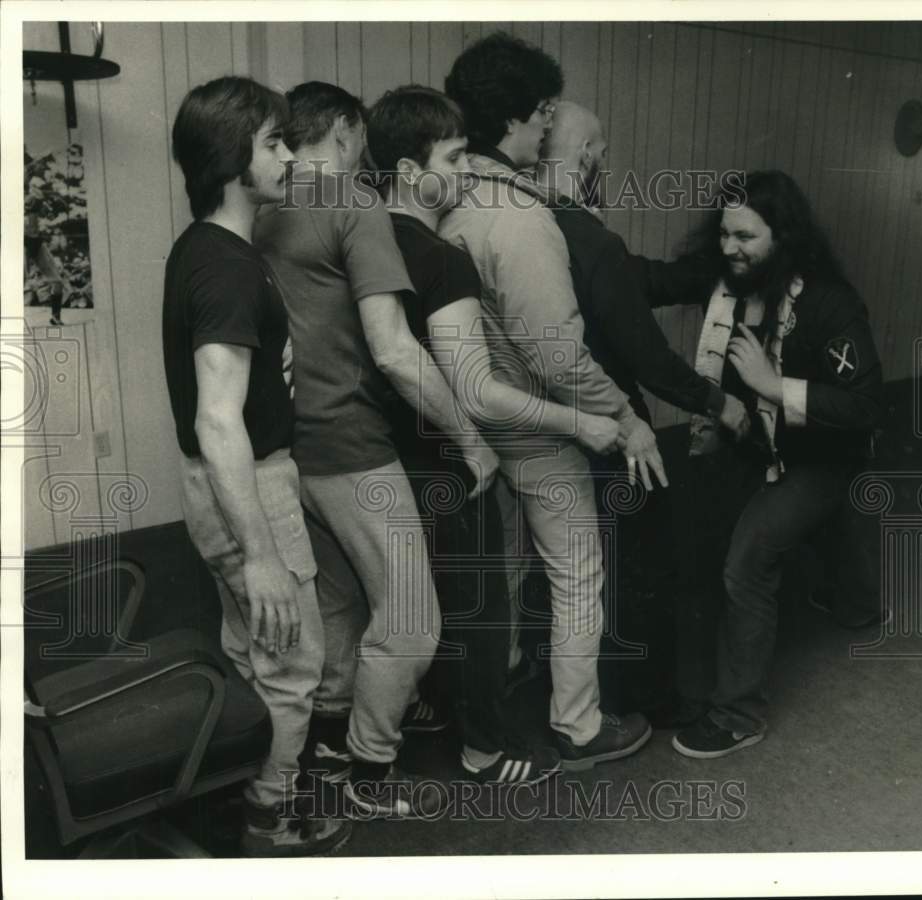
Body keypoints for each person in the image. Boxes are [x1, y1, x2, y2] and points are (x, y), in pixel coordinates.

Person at [367, 84, 626, 783]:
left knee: (456, 593)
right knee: (559, 578)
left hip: (402, 452)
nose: (463, 172)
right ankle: (564, 728)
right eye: (453, 159)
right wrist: (587, 421)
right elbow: (496, 380)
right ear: (409, 168)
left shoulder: (362, 236)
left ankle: (453, 706)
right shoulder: (471, 240)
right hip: (484, 438)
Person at [254, 80, 498, 816]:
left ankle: (330, 744)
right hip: (352, 446)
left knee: (338, 609)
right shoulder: (354, 203)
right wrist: (470, 439)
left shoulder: (260, 210)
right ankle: (370, 772)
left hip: (283, 453)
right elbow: (394, 350)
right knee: (414, 621)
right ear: (345, 130)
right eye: (360, 137)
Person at [439, 32, 662, 770]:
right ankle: (579, 726)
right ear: (519, 116)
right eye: (543, 114)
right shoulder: (519, 216)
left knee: (500, 574)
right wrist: (622, 415)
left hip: (469, 421)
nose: (547, 128)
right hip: (534, 426)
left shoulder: (449, 198)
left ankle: (499, 704)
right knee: (576, 573)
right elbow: (558, 354)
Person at [162, 76, 351, 856]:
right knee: (294, 667)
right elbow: (218, 418)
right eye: (274, 143)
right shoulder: (227, 266)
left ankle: (243, 801)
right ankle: (270, 820)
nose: (289, 157)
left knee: (250, 653)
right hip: (246, 490)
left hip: (222, 488)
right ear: (231, 155)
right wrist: (264, 554)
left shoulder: (209, 249)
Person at [654, 170, 883, 758]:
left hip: (820, 459)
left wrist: (772, 384)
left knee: (749, 557)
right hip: (755, 446)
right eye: (724, 234)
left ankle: (738, 714)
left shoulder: (830, 302)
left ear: (782, 238)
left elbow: (864, 406)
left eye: (746, 237)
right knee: (701, 533)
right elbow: (646, 278)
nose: (730, 248)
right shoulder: (723, 275)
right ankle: (696, 686)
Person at [535, 101, 752, 714]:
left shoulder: (530, 225)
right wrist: (720, 402)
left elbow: (646, 281)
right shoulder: (590, 238)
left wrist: (716, 261)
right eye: (602, 151)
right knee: (643, 563)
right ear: (585, 156)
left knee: (573, 573)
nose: (606, 163)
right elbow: (650, 359)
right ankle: (648, 702)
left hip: (542, 429)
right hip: (614, 433)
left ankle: (577, 694)